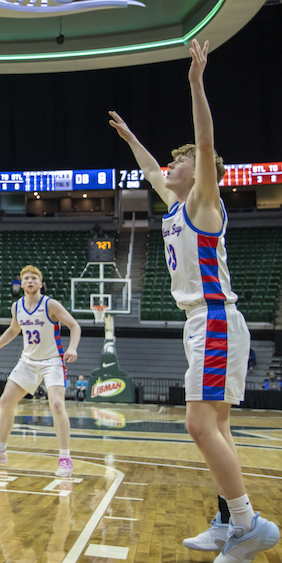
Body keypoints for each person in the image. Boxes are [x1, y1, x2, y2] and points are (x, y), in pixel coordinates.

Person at [109, 39, 280, 558]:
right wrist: (131, 138)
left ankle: (248, 525)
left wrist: (195, 82)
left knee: (198, 423)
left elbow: (205, 145)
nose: (171, 164)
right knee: (218, 426)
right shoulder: (174, 203)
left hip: (215, 318)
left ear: (199, 172)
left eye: (177, 161)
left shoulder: (205, 199)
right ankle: (230, 520)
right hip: (200, 322)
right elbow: (150, 171)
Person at [0, 265, 81, 478]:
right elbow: (14, 329)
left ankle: (65, 458)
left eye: (34, 278)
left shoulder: (50, 304)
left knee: (57, 404)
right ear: (21, 283)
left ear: (41, 283)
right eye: (26, 278)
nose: (30, 281)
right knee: (6, 401)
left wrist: (72, 348)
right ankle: (0, 451)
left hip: (52, 361)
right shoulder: (17, 307)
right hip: (28, 361)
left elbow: (74, 326)